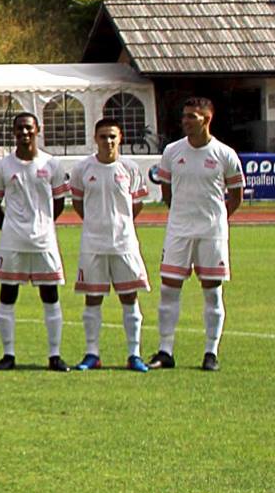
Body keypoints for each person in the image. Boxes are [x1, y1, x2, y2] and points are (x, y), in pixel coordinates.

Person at [152, 97, 244, 371]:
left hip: (211, 234)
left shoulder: (225, 154)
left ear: (207, 119)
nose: (186, 121)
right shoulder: (172, 151)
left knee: (212, 293)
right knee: (169, 289)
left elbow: (236, 195)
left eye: (192, 116)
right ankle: (165, 351)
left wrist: (216, 220)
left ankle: (211, 352)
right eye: (184, 116)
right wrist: (182, 214)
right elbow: (167, 191)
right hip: (178, 231)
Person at [0, 113, 70, 371]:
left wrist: (43, 224)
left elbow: (58, 202)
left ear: (38, 130)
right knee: (8, 293)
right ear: (14, 132)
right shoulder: (3, 166)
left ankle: (54, 355)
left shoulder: (52, 164)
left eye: (29, 129)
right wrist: (10, 227)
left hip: (44, 241)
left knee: (50, 294)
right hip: (13, 241)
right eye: (20, 129)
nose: (25, 133)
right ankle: (8, 354)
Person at [69, 119, 152, 372]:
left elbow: (136, 204)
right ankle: (92, 353)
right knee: (93, 298)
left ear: (121, 137)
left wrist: (120, 224)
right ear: (95, 138)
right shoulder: (83, 168)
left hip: (124, 243)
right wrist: (98, 225)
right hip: (93, 244)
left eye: (113, 136)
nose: (108, 141)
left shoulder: (130, 168)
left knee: (129, 297)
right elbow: (78, 203)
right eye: (103, 136)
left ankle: (134, 354)